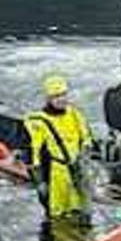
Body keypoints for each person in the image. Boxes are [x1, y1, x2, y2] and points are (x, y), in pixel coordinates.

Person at [25, 75, 93, 221]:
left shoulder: (75, 114)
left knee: (81, 208)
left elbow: (86, 137)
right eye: (56, 96)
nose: (62, 99)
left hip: (76, 171)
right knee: (57, 212)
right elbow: (34, 152)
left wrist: (83, 158)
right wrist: (40, 181)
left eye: (63, 94)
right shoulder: (39, 122)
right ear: (48, 99)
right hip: (56, 174)